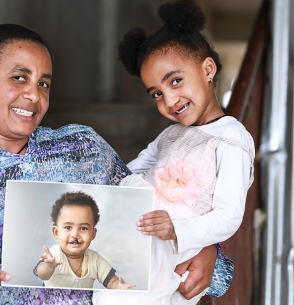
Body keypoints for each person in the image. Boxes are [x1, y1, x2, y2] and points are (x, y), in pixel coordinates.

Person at [0, 23, 234, 305]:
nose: (34, 95)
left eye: (43, 83)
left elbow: (153, 213)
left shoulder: (82, 147)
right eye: (19, 78)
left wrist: (208, 250)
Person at [94, 1, 254, 304]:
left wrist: (176, 229)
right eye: (157, 93)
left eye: (175, 81)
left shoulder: (232, 138)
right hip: (149, 240)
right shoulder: (171, 135)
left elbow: (230, 216)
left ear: (208, 69)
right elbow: (129, 173)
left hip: (181, 246)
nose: (169, 100)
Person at [34, 191, 135, 290]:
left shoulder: (94, 260)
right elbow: (42, 274)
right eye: (68, 227)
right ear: (56, 232)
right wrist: (49, 266)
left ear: (93, 234)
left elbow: (111, 281)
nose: (75, 235)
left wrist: (120, 287)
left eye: (83, 228)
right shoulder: (54, 254)